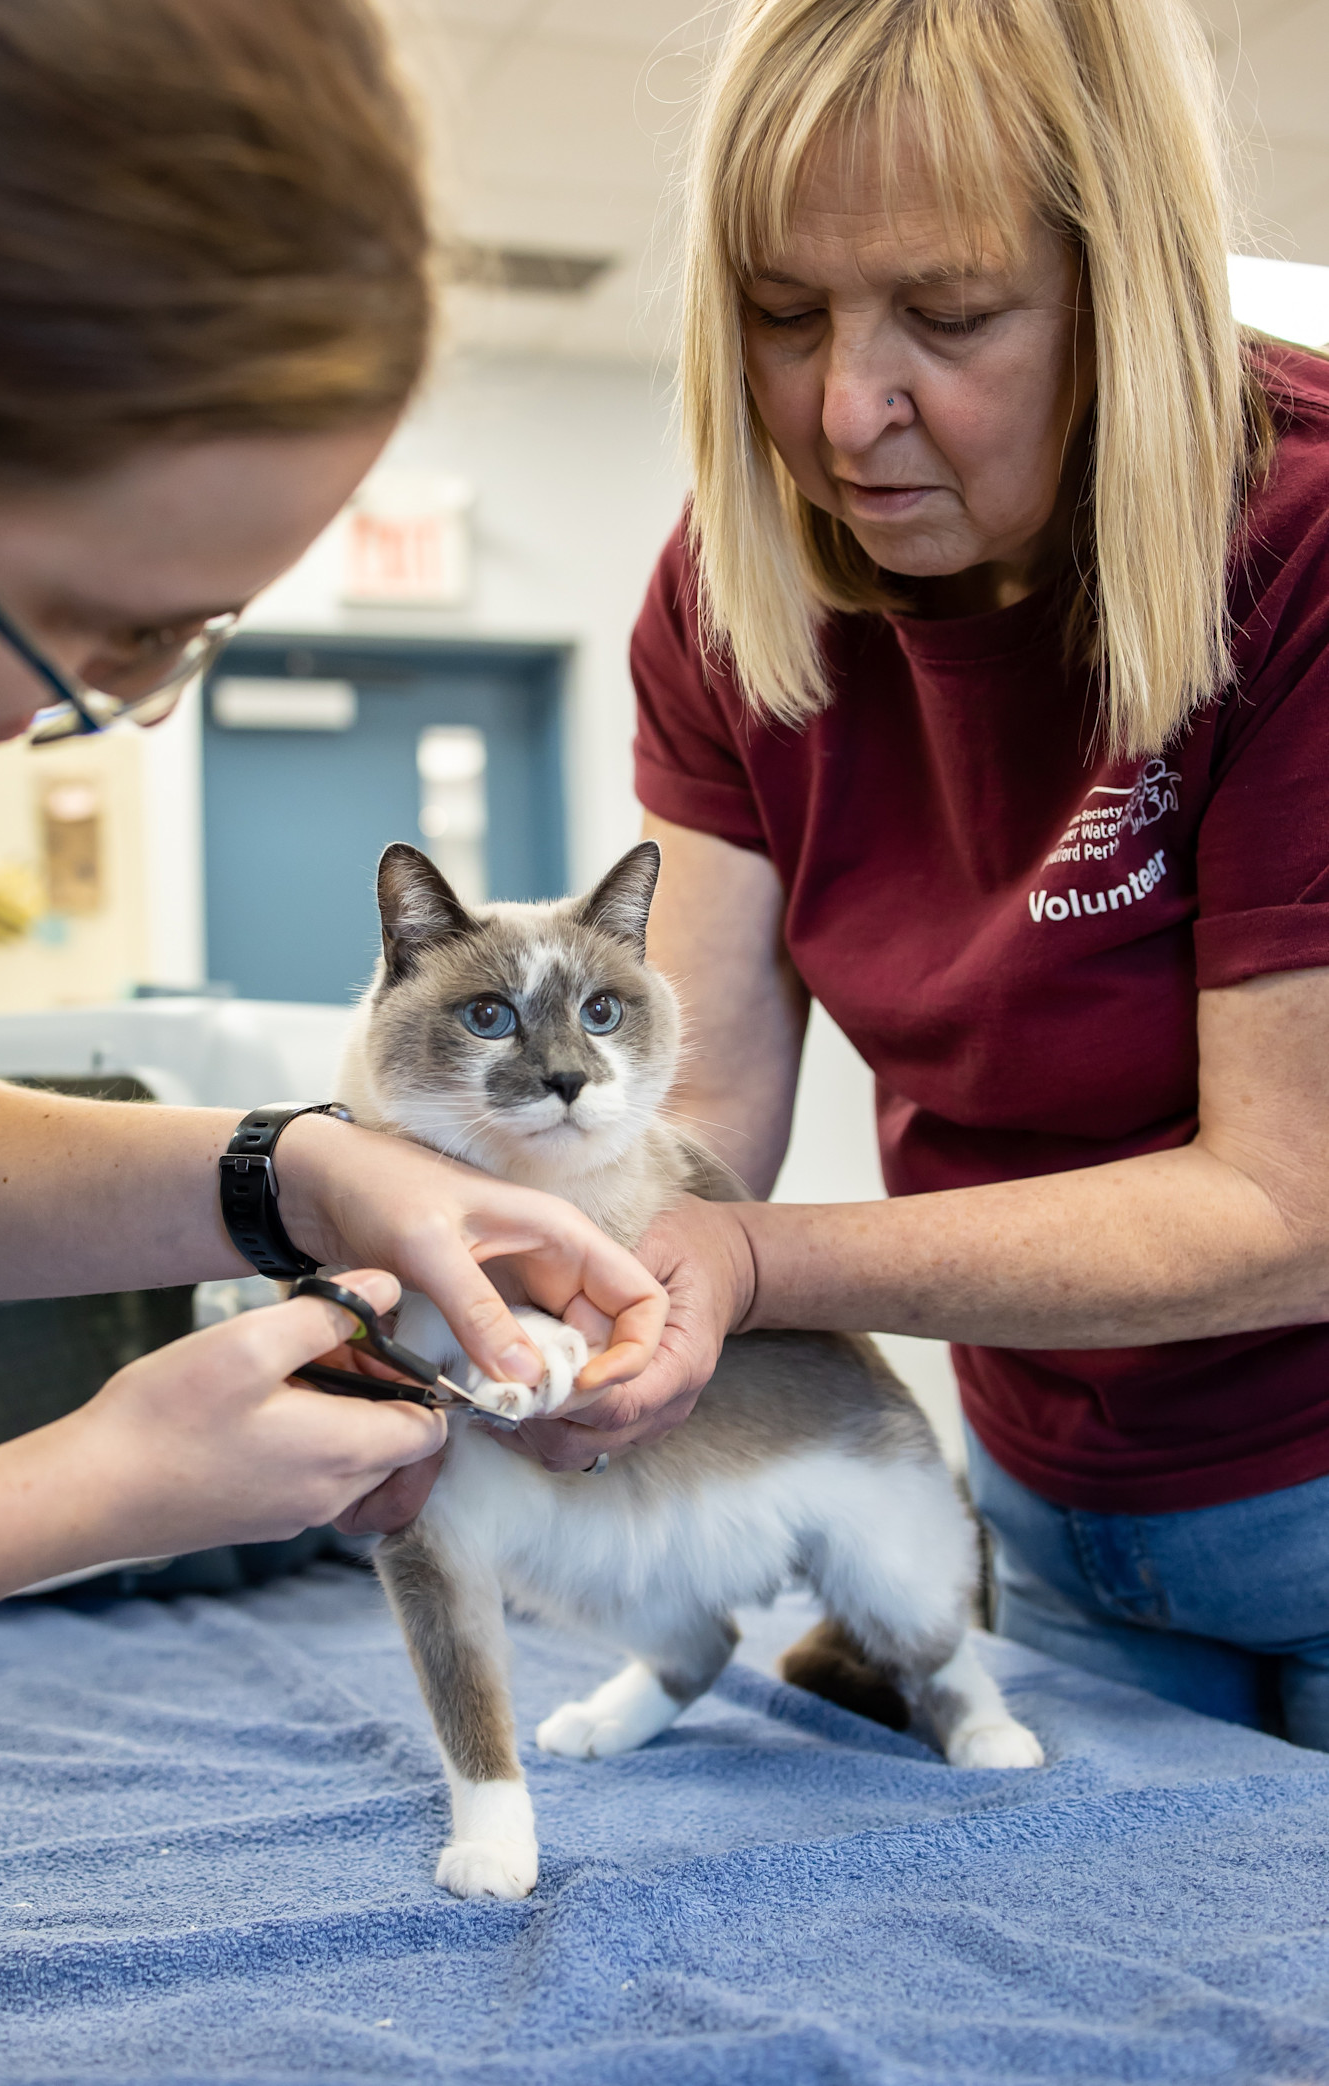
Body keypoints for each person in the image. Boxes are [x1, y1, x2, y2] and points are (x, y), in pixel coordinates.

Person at [0, 0, 666, 1706]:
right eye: (96, 631)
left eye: (190, 639)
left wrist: (293, 1172)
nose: (136, 711)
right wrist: (85, 1490)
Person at [507, 0, 1329, 1744]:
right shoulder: (735, 592)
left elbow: (1290, 1207)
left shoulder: (1304, 550)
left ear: (1126, 293)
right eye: (782, 315)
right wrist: (541, 1244)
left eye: (948, 319)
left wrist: (745, 1262)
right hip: (1045, 1510)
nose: (843, 408)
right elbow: (702, 1104)